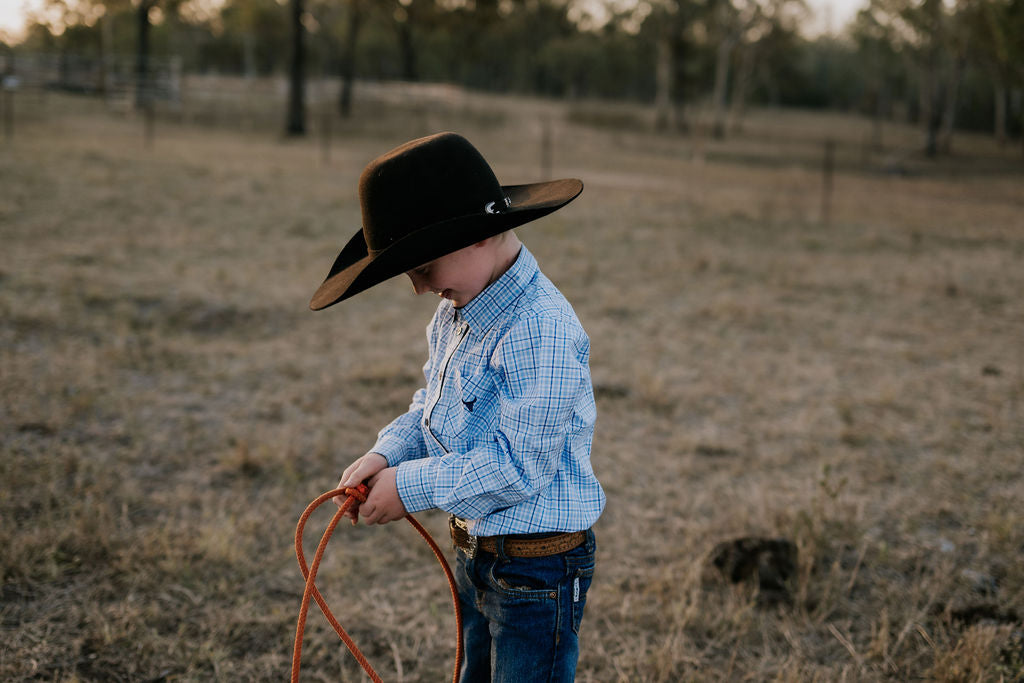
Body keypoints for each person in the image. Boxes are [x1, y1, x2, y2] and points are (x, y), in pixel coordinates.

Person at [310, 131, 605, 682]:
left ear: (477, 237)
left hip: (537, 567)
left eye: (423, 268)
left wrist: (410, 486)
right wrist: (389, 452)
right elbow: (436, 405)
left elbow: (521, 466)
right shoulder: (457, 311)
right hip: (478, 551)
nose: (419, 288)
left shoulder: (541, 330)